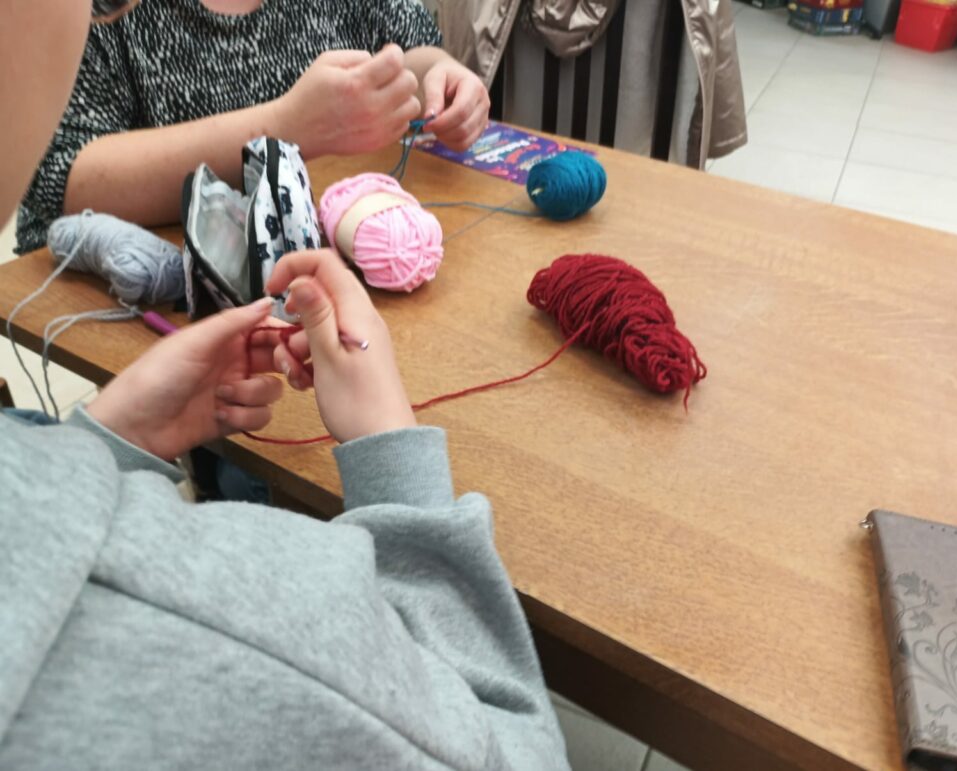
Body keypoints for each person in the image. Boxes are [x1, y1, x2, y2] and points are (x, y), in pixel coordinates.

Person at [0, 1, 569, 768]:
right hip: (253, 406)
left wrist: (440, 78)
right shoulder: (226, 635)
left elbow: (412, 50)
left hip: (189, 396)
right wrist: (392, 456)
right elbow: (507, 744)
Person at [15, 0, 491, 254]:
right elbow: (61, 177)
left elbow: (410, 48)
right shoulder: (97, 11)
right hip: (166, 321)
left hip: (328, 287)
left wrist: (442, 76)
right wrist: (283, 127)